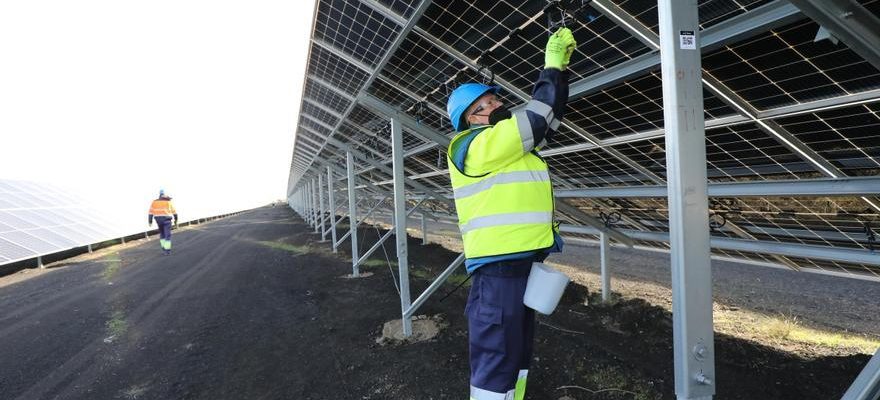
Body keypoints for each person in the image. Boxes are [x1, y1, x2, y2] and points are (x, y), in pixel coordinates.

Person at [445, 27, 576, 400]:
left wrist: (560, 72)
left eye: (491, 100)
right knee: (496, 355)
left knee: (517, 352)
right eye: (480, 108)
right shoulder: (473, 145)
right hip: (498, 269)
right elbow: (536, 121)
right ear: (468, 122)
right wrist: (549, 66)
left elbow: (547, 120)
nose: (491, 107)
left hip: (522, 264)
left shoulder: (511, 146)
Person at [148, 189, 178, 255]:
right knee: (167, 235)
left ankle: (163, 248)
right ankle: (167, 251)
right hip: (167, 221)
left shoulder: (154, 202)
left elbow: (150, 212)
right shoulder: (168, 202)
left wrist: (150, 221)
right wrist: (176, 220)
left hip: (158, 221)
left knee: (162, 234)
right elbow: (174, 212)